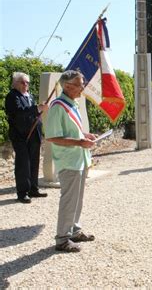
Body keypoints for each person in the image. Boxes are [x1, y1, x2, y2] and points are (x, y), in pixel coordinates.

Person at [45, 70, 96, 253]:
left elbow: (71, 131)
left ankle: (74, 229)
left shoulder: (72, 104)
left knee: (77, 199)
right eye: (80, 83)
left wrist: (84, 135)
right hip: (68, 161)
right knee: (69, 200)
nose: (83, 87)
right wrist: (79, 142)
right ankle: (62, 239)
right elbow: (52, 137)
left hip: (78, 158)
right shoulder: (58, 106)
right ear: (67, 86)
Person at [5, 72, 48, 203]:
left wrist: (39, 110)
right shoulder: (12, 96)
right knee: (23, 163)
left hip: (34, 133)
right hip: (20, 135)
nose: (25, 84)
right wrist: (36, 108)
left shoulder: (30, 95)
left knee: (34, 161)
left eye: (27, 82)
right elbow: (19, 112)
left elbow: (32, 112)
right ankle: (22, 193)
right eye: (22, 82)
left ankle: (33, 189)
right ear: (15, 83)